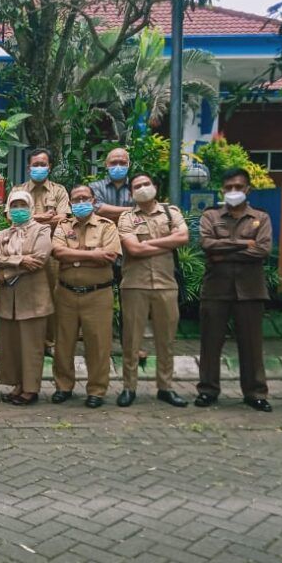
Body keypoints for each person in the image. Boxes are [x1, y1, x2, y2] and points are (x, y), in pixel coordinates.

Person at [195, 168, 274, 412]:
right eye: (228, 187)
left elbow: (262, 250)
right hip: (216, 288)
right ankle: (208, 390)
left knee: (251, 344)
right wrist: (242, 244)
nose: (233, 192)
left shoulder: (260, 217)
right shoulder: (212, 216)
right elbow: (206, 244)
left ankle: (255, 393)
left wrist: (223, 252)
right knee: (210, 343)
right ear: (222, 189)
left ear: (247, 189)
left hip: (250, 290)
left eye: (238, 187)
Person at [115, 173, 190, 408]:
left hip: (166, 284)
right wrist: (167, 241)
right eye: (138, 186)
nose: (143, 188)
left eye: (147, 184)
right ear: (131, 193)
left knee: (166, 340)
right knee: (131, 340)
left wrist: (148, 244)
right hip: (134, 285)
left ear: (155, 187)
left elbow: (184, 236)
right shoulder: (126, 218)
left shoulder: (171, 212)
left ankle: (165, 387)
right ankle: (129, 387)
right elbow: (133, 250)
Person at [50, 184, 122, 408]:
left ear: (93, 200)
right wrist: (93, 253)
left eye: (85, 198)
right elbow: (57, 252)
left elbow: (109, 255)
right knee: (63, 344)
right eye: (76, 199)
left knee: (98, 344)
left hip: (98, 294)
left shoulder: (106, 226)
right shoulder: (63, 226)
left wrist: (75, 256)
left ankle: (97, 390)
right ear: (70, 203)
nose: (81, 202)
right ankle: (63, 386)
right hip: (66, 293)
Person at [0, 190, 53, 405]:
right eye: (14, 205)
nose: (18, 210)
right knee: (13, 345)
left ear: (30, 208)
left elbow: (39, 259)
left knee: (32, 345)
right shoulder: (3, 234)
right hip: (9, 298)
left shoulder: (42, 229)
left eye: (22, 205)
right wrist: (20, 261)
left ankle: (31, 389)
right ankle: (18, 384)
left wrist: (8, 271)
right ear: (8, 209)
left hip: (34, 296)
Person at [14, 147, 71, 352]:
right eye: (35, 164)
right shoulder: (18, 191)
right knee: (25, 295)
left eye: (43, 164)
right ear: (29, 167)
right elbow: (11, 217)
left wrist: (28, 218)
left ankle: (51, 341)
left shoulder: (59, 190)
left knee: (52, 295)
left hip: (51, 252)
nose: (39, 168)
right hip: (22, 251)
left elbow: (63, 218)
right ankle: (27, 341)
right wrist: (44, 218)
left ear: (49, 167)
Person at [89, 147, 134, 221]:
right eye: (113, 163)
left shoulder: (136, 187)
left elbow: (143, 211)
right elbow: (98, 209)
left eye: (123, 163)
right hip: (103, 231)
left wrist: (109, 213)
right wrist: (133, 210)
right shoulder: (94, 187)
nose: (118, 166)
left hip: (132, 231)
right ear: (106, 165)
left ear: (129, 164)